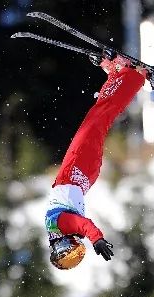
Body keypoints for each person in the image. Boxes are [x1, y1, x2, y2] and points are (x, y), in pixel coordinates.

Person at [46, 54, 147, 270]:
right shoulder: (60, 228)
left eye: (71, 254)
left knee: (100, 117)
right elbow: (83, 225)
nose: (77, 249)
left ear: (61, 246)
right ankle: (126, 77)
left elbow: (82, 224)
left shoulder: (60, 225)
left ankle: (125, 76)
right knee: (100, 117)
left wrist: (95, 239)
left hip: (79, 173)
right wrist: (94, 238)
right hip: (79, 174)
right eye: (78, 255)